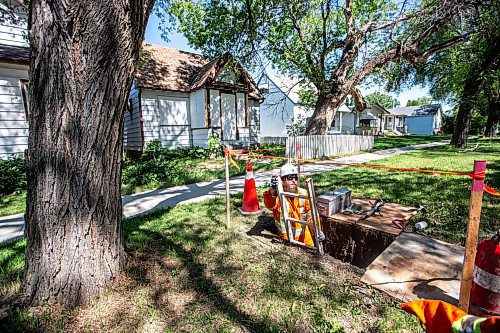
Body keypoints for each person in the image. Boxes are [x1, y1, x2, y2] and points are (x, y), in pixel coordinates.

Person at [263, 162, 322, 247]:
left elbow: (311, 215)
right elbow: (269, 205)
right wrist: (273, 191)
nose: (294, 180)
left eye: (295, 177)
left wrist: (318, 231)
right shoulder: (277, 196)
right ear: (282, 180)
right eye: (290, 178)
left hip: (305, 240)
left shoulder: (304, 194)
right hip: (286, 242)